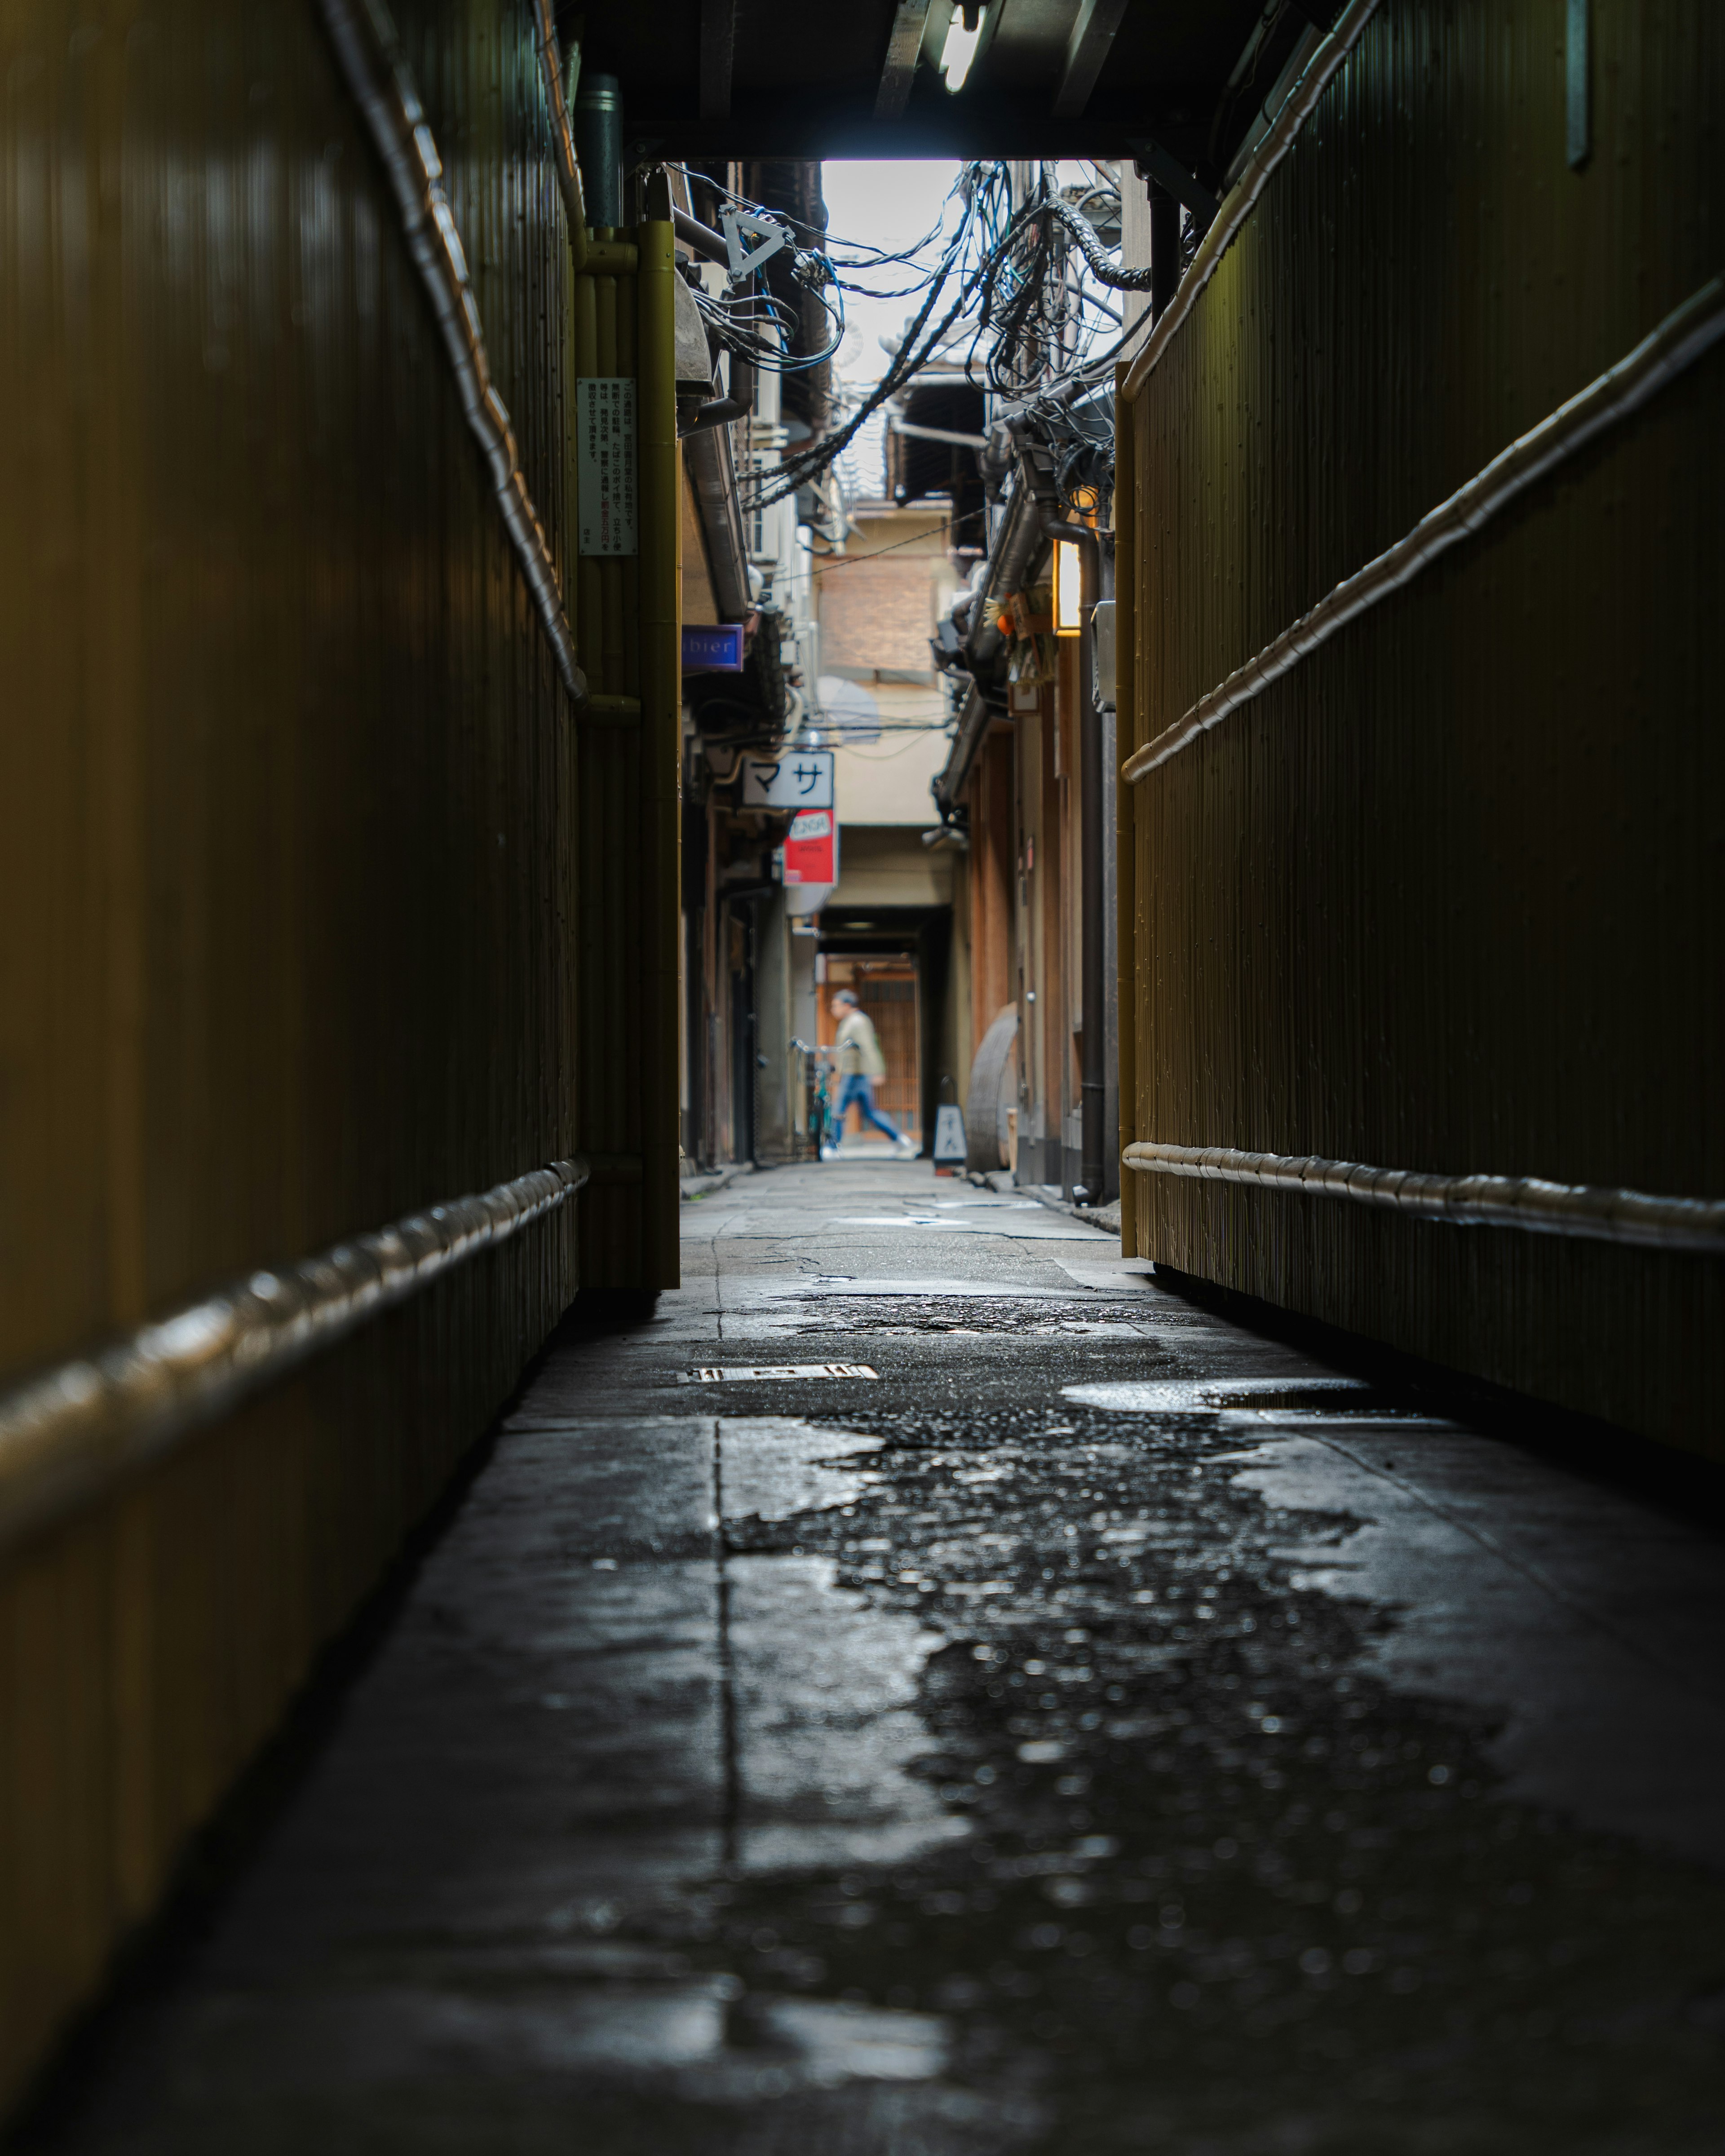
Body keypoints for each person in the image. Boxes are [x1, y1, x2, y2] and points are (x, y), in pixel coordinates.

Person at [829, 989, 916, 1156]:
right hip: (854, 1073)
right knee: (870, 1112)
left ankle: (833, 1147)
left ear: (847, 1005)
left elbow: (869, 1047)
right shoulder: (850, 1021)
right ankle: (901, 1139)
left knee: (839, 1109)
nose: (834, 1010)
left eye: (836, 1006)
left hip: (855, 1074)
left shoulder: (857, 1022)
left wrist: (876, 1071)